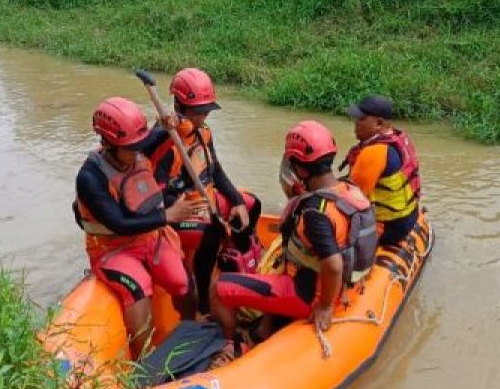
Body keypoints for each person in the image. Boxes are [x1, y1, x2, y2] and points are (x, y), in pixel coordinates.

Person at [208, 120, 377, 347]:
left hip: (305, 294)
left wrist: (325, 307)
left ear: (301, 169)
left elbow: (334, 265)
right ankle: (263, 330)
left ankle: (228, 347)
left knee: (218, 287)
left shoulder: (315, 212)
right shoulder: (349, 191)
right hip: (335, 285)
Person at [73, 97, 205, 359]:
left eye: (139, 145)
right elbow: (119, 224)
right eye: (131, 147)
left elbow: (163, 132)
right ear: (109, 144)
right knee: (137, 286)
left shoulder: (138, 148)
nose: (138, 152)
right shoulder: (90, 177)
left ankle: (191, 326)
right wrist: (167, 215)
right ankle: (145, 358)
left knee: (181, 280)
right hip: (113, 248)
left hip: (149, 238)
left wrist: (172, 123)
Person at [147, 68, 261, 312]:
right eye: (198, 112)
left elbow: (215, 170)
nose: (203, 116)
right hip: (180, 210)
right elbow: (156, 194)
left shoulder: (204, 132)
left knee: (252, 204)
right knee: (210, 230)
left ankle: (236, 263)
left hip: (206, 197)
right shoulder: (165, 140)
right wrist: (179, 207)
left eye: (205, 110)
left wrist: (237, 201)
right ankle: (203, 301)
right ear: (179, 106)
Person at [341, 94, 422, 247]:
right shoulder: (397, 138)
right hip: (407, 217)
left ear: (379, 123)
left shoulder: (375, 152)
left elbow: (352, 201)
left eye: (361, 119)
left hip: (388, 228)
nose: (356, 124)